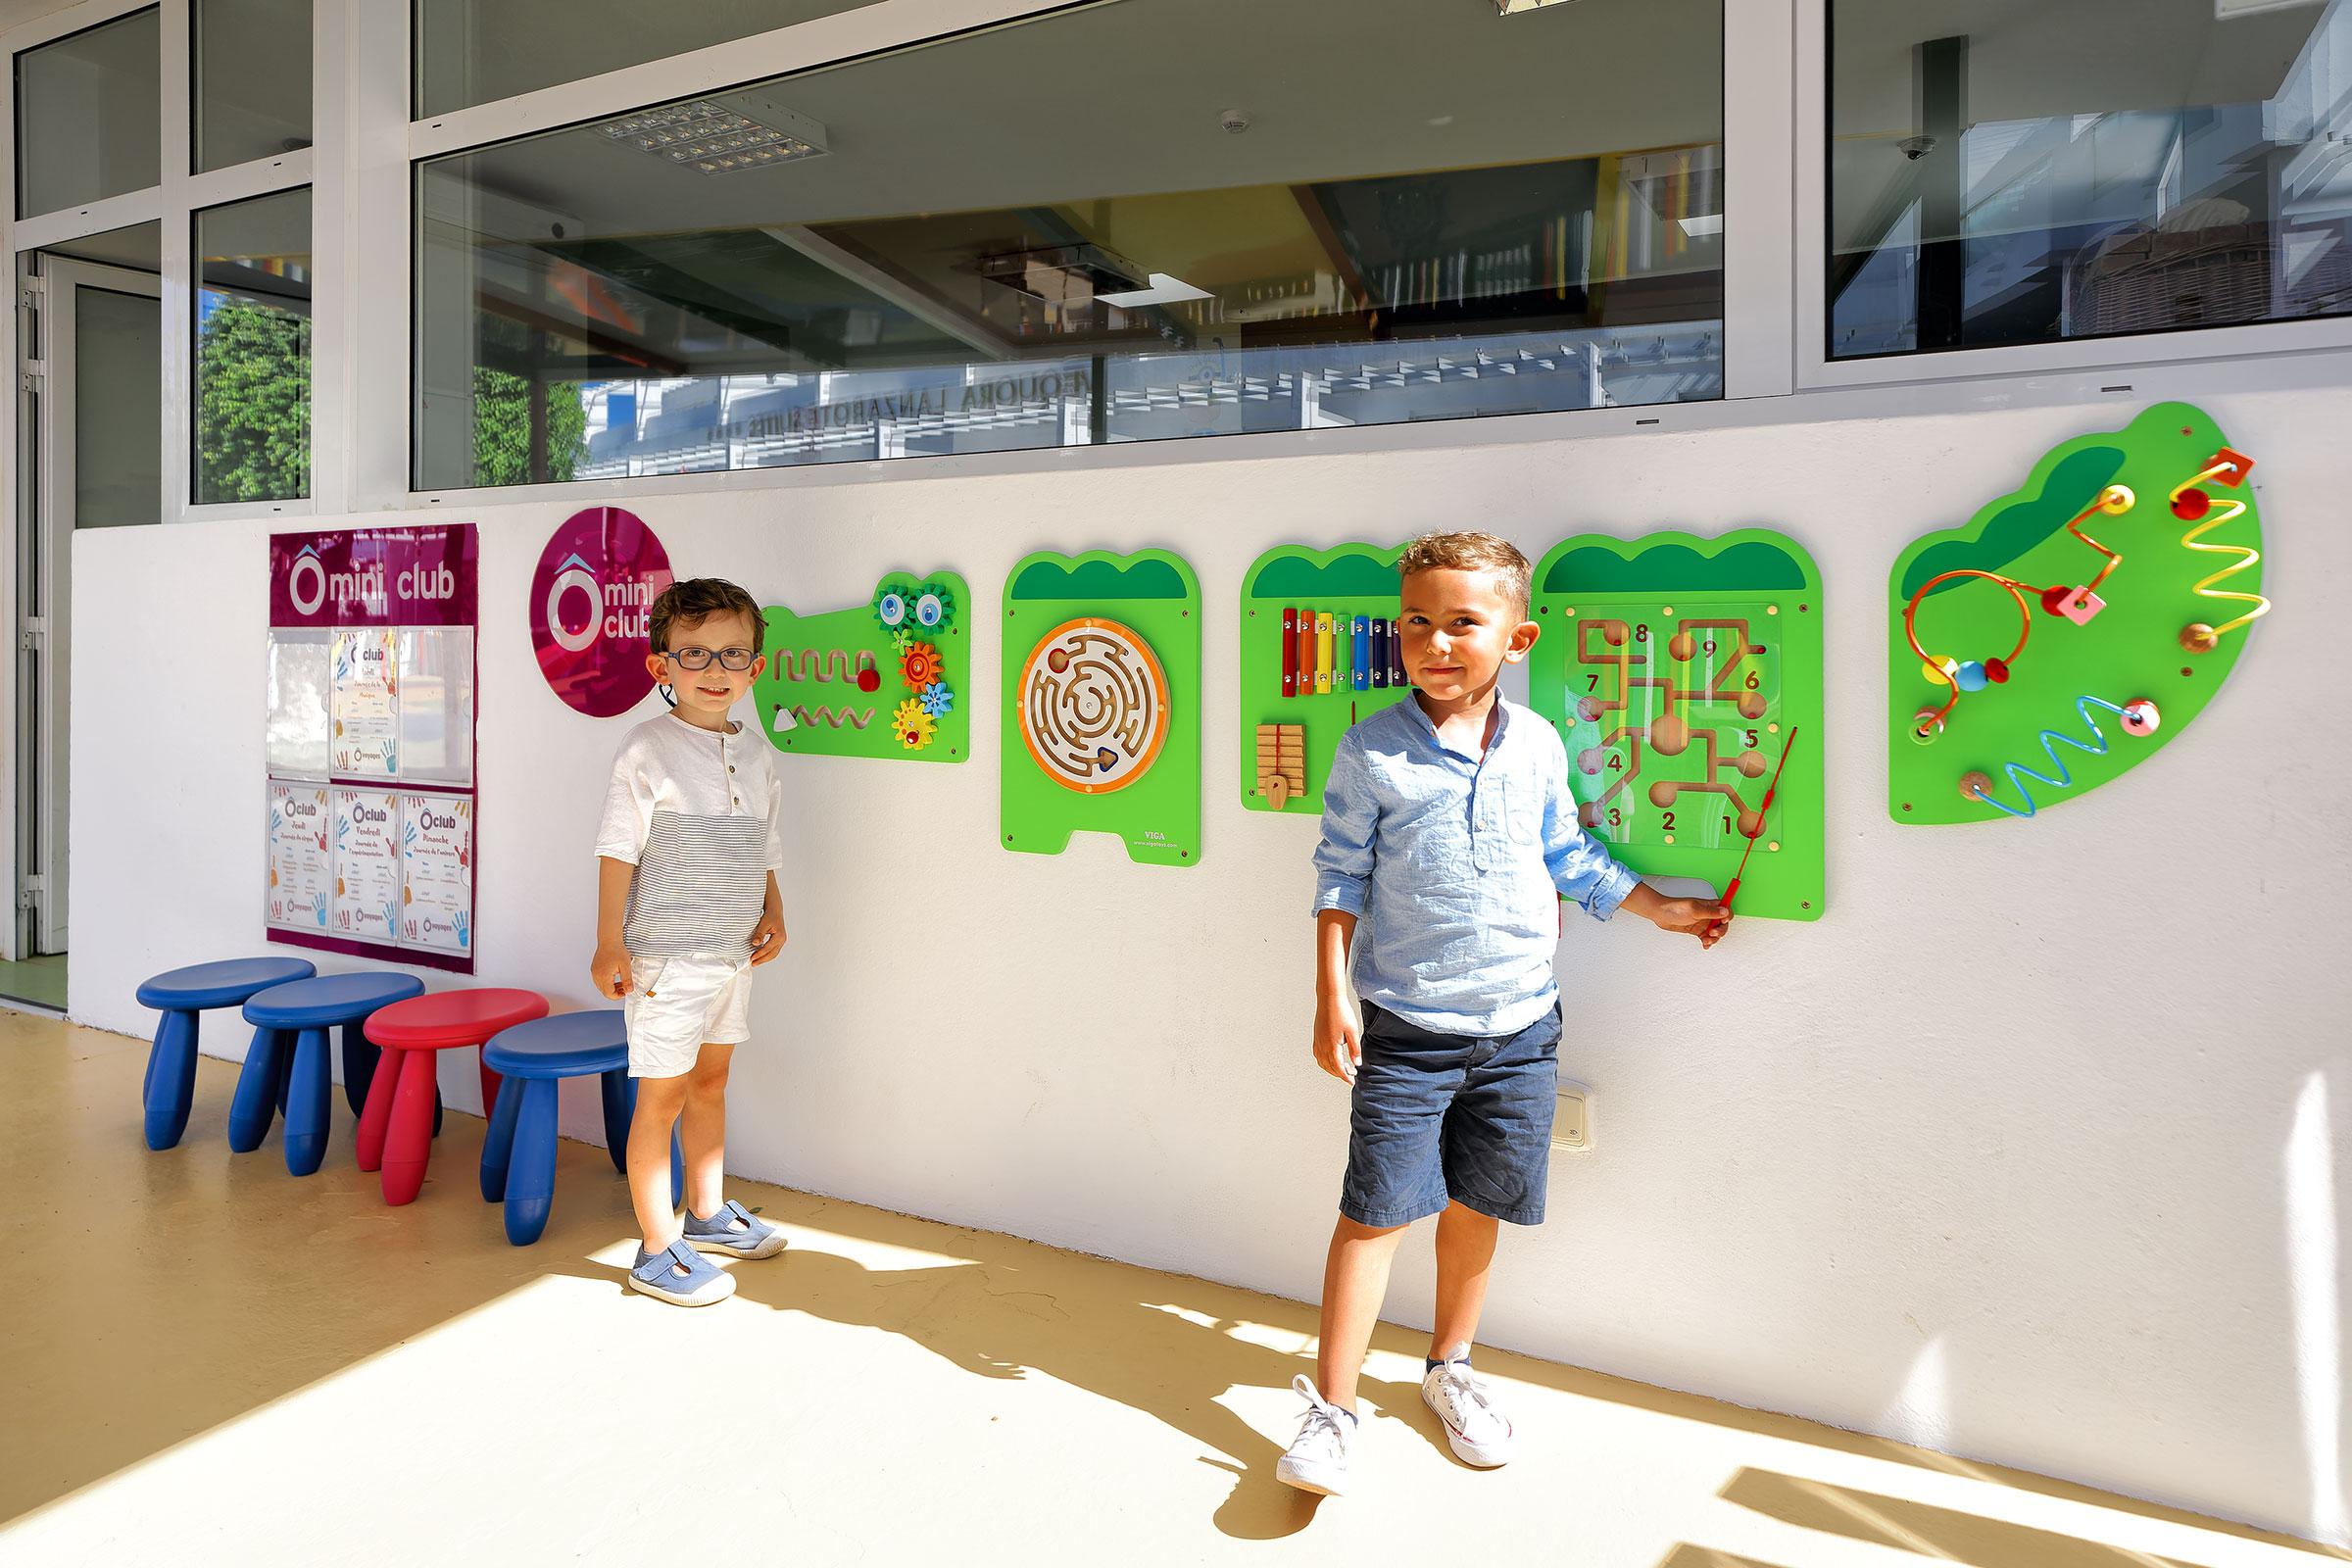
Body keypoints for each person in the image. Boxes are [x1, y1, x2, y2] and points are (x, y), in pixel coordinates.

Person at [1277, 531, 1727, 1494]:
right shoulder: (1371, 749)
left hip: (1523, 1031)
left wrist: (1656, 905)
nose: (1436, 641)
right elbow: (1338, 875)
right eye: (1417, 623)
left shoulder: (1540, 746)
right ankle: (1331, 1409)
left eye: (1462, 622)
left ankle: (1450, 1368)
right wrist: (1330, 992)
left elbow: (1567, 851)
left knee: (1479, 1204)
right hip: (1406, 1031)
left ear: (1516, 638)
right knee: (1373, 1213)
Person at [591, 577, 791, 1306]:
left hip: (732, 953)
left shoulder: (758, 753)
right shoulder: (648, 747)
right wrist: (609, 943)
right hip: (666, 960)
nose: (715, 671)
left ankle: (706, 1214)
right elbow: (619, 848)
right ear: (660, 667)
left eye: (733, 655)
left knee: (712, 1083)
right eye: (695, 654)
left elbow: (763, 844)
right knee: (663, 1099)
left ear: (755, 668)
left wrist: (773, 909)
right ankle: (654, 1250)